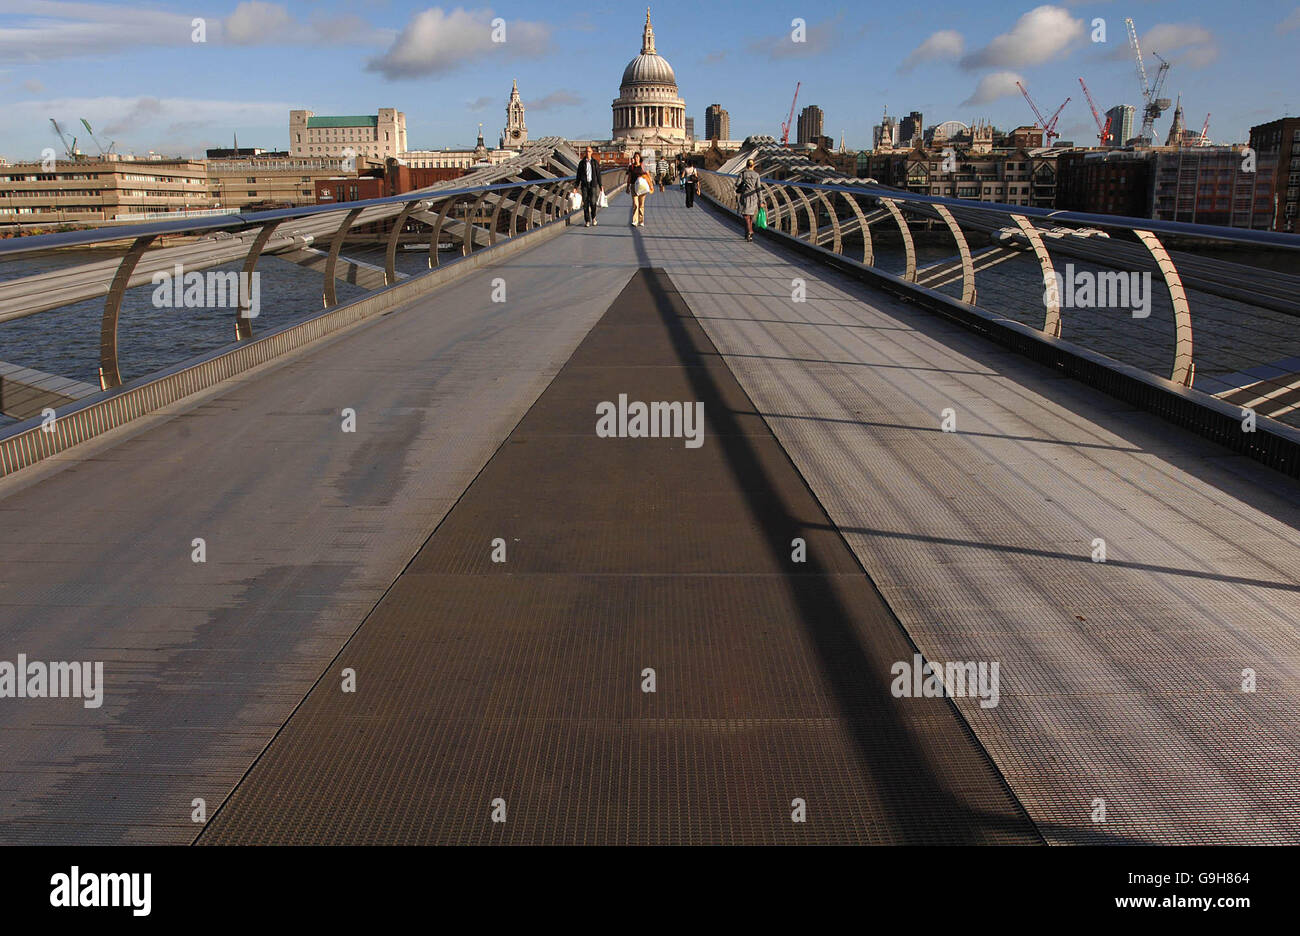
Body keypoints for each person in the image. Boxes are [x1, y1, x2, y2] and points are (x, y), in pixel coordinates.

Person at [574, 146, 603, 227]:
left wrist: (601, 185)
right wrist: (575, 187)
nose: (588, 153)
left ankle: (593, 217)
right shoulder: (581, 163)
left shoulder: (595, 162)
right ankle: (587, 220)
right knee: (585, 203)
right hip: (584, 185)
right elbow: (578, 176)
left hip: (593, 184)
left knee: (593, 202)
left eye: (589, 151)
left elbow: (598, 174)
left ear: (592, 152)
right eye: (586, 151)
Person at [736, 158, 762, 242]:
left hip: (745, 196)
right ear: (753, 165)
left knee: (745, 215)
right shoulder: (757, 175)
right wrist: (760, 200)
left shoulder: (742, 174)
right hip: (754, 197)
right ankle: (748, 235)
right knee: (750, 216)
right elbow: (758, 188)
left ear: (746, 165)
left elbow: (737, 184)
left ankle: (750, 231)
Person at [627, 154, 652, 227]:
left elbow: (648, 175)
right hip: (633, 186)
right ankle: (635, 221)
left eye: (637, 157)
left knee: (641, 204)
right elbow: (629, 177)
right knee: (635, 204)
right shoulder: (631, 167)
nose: (636, 158)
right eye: (635, 157)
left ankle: (641, 220)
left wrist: (650, 184)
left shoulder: (643, 166)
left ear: (639, 158)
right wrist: (627, 187)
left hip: (642, 187)